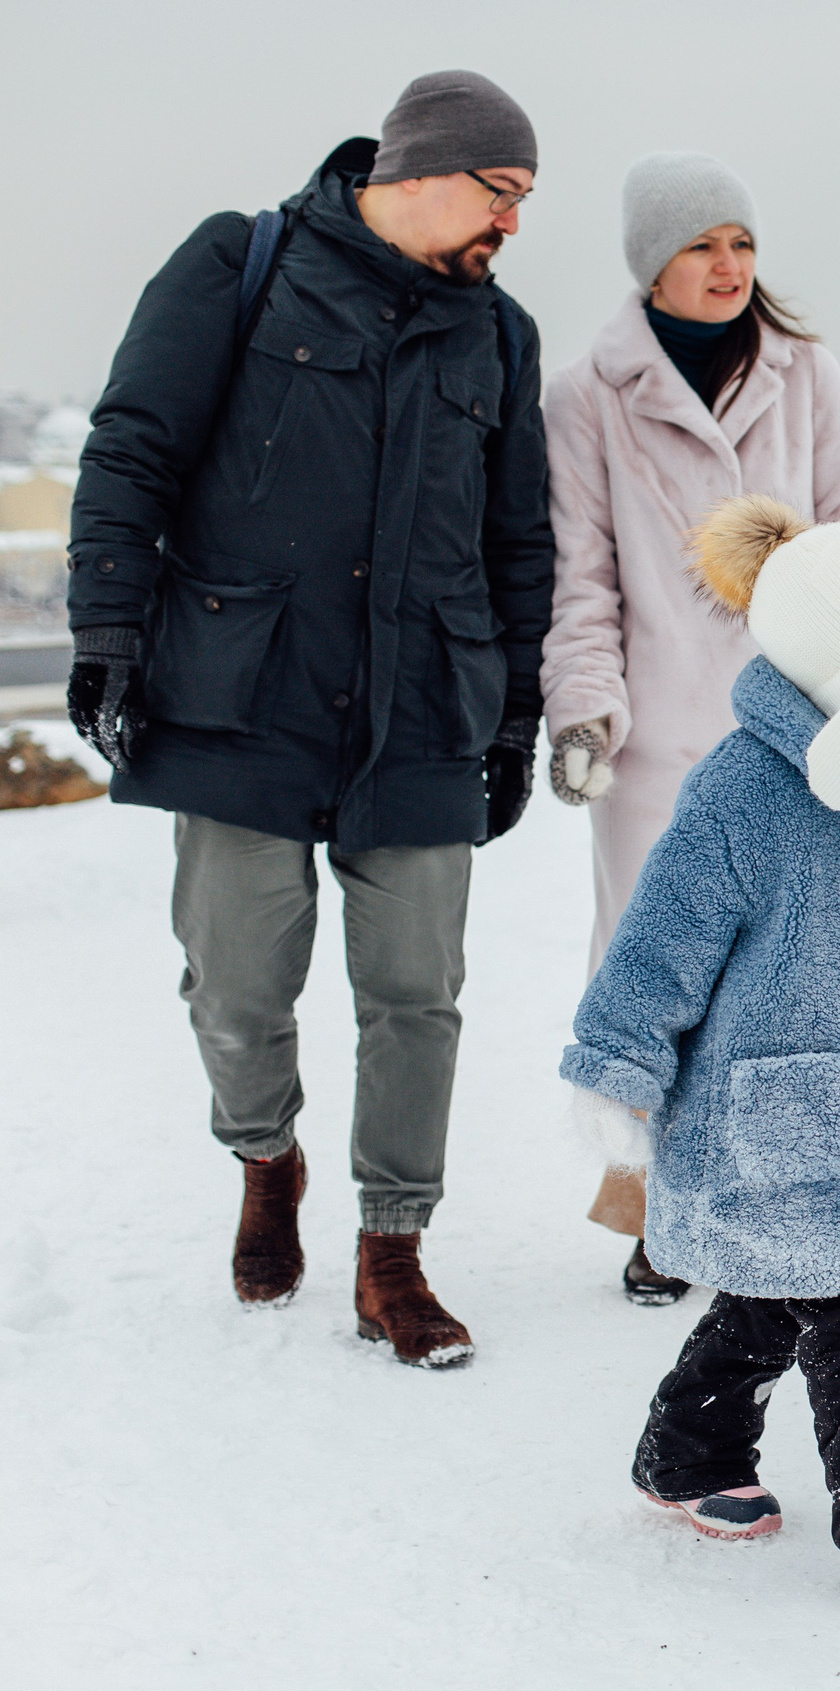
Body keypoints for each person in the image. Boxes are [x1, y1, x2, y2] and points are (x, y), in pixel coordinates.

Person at [64, 71, 553, 1369]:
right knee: (234, 980)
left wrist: (516, 717)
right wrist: (108, 629)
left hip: (426, 705)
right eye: (501, 193)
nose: (513, 223)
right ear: (422, 168)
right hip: (241, 688)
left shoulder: (498, 337)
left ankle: (393, 1249)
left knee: (416, 993)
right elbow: (130, 449)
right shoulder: (243, 262)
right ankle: (264, 1153)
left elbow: (519, 543)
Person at [562, 496, 840, 1603]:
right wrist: (616, 1066)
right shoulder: (743, 789)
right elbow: (659, 940)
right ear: (822, 650)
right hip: (765, 1117)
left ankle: (688, 1451)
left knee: (772, 1300)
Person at [541, 152, 840, 1303]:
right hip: (661, 741)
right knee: (657, 975)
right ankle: (651, 1205)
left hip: (799, 727)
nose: (729, 266)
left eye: (741, 243)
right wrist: (586, 711)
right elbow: (582, 578)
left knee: (786, 974)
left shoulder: (804, 374)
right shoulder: (586, 397)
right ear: (653, 262)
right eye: (702, 245)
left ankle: (771, 1202)